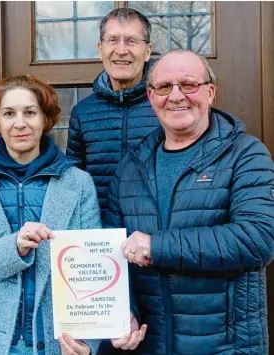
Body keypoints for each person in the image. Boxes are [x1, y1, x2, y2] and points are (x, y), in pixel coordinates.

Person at [0, 75, 144, 355]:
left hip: (58, 341)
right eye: (9, 113)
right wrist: (13, 248)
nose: (20, 123)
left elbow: (96, 265)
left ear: (44, 120)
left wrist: (97, 335)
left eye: (30, 112)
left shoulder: (78, 183)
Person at [105, 49, 274, 354]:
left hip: (226, 345)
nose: (176, 96)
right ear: (150, 96)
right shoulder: (131, 166)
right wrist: (122, 312)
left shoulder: (246, 154)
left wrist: (157, 247)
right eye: (164, 87)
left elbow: (257, 239)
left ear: (210, 92)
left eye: (188, 85)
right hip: (151, 343)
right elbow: (115, 253)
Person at [66, 8, 160, 219]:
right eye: (113, 40)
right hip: (100, 236)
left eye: (131, 41)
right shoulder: (82, 113)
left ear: (147, 51)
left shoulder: (166, 104)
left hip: (156, 235)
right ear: (100, 49)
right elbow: (72, 184)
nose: (121, 50)